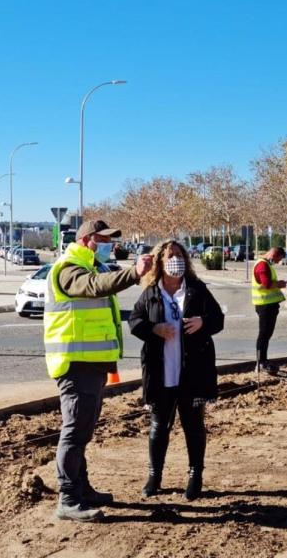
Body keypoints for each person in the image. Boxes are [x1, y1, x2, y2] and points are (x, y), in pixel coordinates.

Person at [44, 219, 153, 522]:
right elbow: (91, 288)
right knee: (74, 432)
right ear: (88, 239)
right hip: (74, 365)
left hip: (90, 365)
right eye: (105, 240)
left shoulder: (90, 267)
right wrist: (133, 273)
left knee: (83, 431)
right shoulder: (68, 269)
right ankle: (67, 498)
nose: (110, 245)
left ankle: (82, 488)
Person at [129, 240, 224, 501]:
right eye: (170, 256)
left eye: (180, 255)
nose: (176, 260)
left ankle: (195, 477)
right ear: (160, 261)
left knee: (194, 426)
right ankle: (154, 476)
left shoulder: (196, 290)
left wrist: (203, 322)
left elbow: (218, 319)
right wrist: (154, 330)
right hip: (161, 373)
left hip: (192, 373)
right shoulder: (151, 292)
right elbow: (135, 321)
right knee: (159, 426)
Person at [254, 247, 287, 375]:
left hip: (268, 305)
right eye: (278, 259)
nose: (278, 262)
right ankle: (260, 362)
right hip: (265, 305)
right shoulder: (262, 265)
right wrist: (279, 284)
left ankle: (263, 360)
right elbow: (266, 284)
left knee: (266, 335)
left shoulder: (265, 264)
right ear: (273, 254)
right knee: (264, 335)